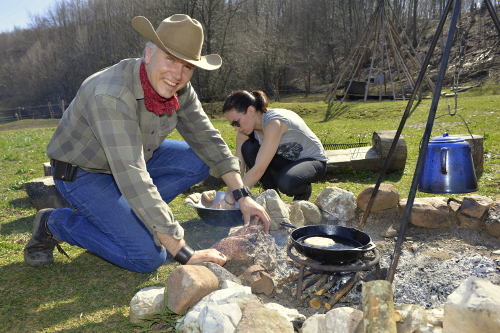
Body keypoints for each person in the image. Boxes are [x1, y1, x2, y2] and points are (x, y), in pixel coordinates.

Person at [23, 15, 270, 273]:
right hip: (84, 173)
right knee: (147, 257)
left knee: (200, 160)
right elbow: (131, 172)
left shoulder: (180, 89)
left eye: (187, 66)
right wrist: (182, 251)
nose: (177, 74)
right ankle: (55, 222)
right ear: (149, 53)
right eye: (171, 59)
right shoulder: (111, 93)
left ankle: (129, 217)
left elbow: (207, 138)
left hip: (136, 157)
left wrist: (242, 196)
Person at [221, 90, 327, 204]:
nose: (235, 128)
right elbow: (238, 170)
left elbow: (258, 170)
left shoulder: (274, 122)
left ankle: (303, 191)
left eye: (236, 122)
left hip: (313, 162)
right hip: (287, 162)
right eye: (232, 124)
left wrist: (233, 198)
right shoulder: (243, 134)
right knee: (248, 147)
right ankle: (272, 196)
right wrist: (227, 196)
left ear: (251, 110)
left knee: (286, 182)